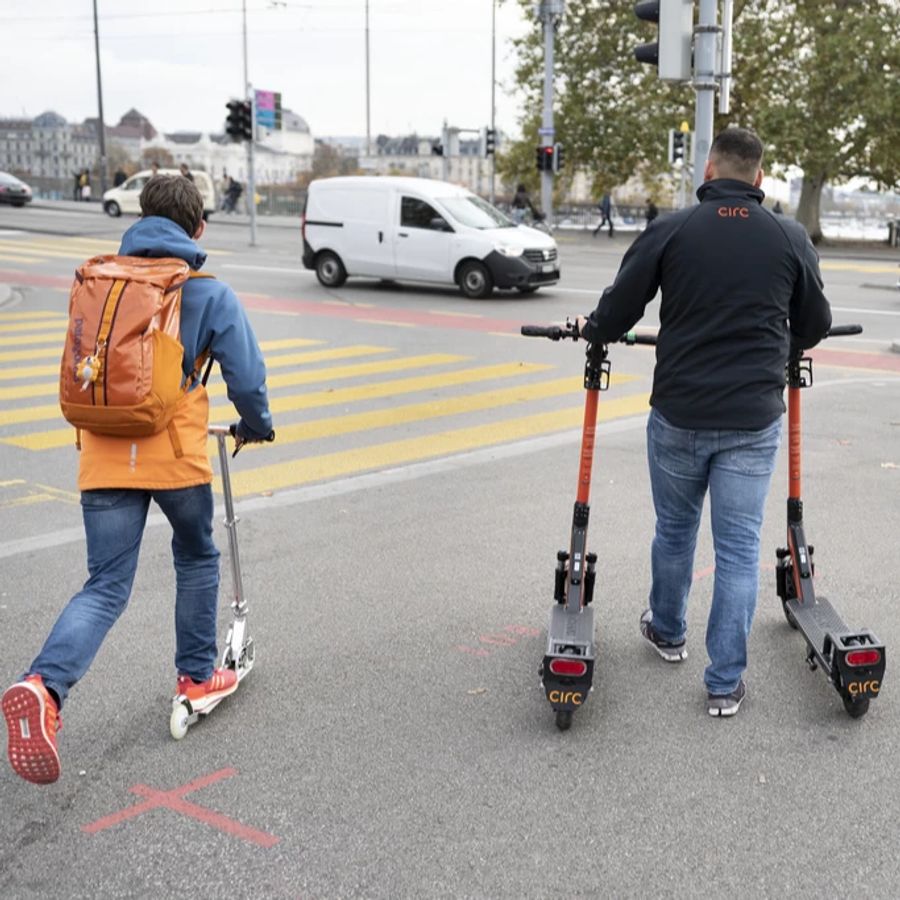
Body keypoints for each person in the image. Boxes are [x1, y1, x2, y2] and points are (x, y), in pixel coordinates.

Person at [2, 174, 274, 785]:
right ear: (197, 227)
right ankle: (197, 674)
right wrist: (257, 426)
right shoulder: (206, 290)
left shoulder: (103, 283)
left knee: (104, 587)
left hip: (102, 455)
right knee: (197, 556)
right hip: (174, 457)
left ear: (140, 216)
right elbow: (247, 377)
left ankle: (43, 687)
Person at [575, 127, 831, 718]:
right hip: (752, 418)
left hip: (679, 415)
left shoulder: (672, 229)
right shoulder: (788, 236)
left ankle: (667, 632)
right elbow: (815, 321)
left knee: (675, 530)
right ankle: (724, 684)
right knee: (738, 550)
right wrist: (780, 344)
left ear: (709, 168)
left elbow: (617, 312)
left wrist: (594, 327)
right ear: (760, 178)